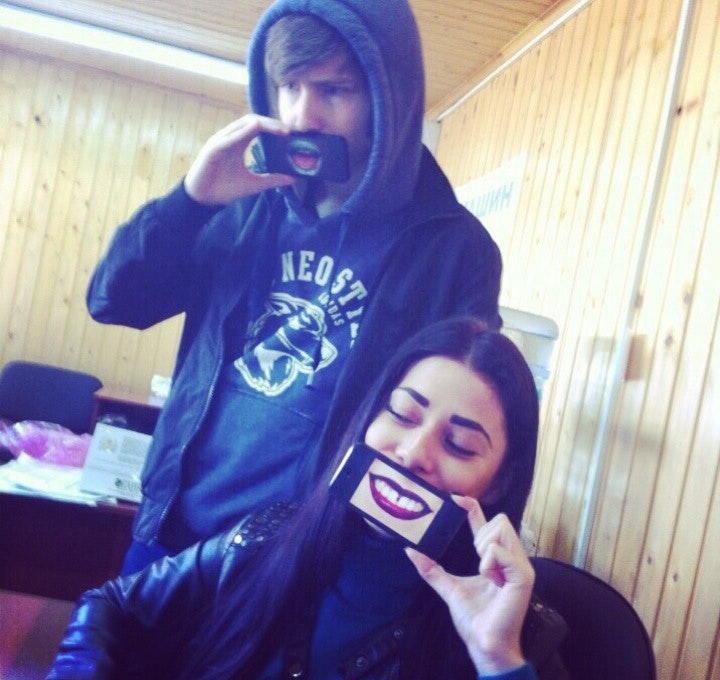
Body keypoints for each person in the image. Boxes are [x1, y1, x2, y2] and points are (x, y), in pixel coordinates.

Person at [86, 0, 502, 574]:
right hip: (172, 538)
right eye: (290, 87)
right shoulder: (243, 202)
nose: (304, 116)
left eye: (334, 90)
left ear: (388, 98)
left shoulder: (457, 250)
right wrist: (190, 201)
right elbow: (114, 301)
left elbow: (447, 431)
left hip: (308, 573)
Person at [45, 318, 580, 680]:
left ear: (501, 482)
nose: (413, 452)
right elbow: (108, 608)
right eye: (402, 413)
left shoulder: (519, 635)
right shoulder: (263, 538)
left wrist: (499, 660)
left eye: (459, 444)